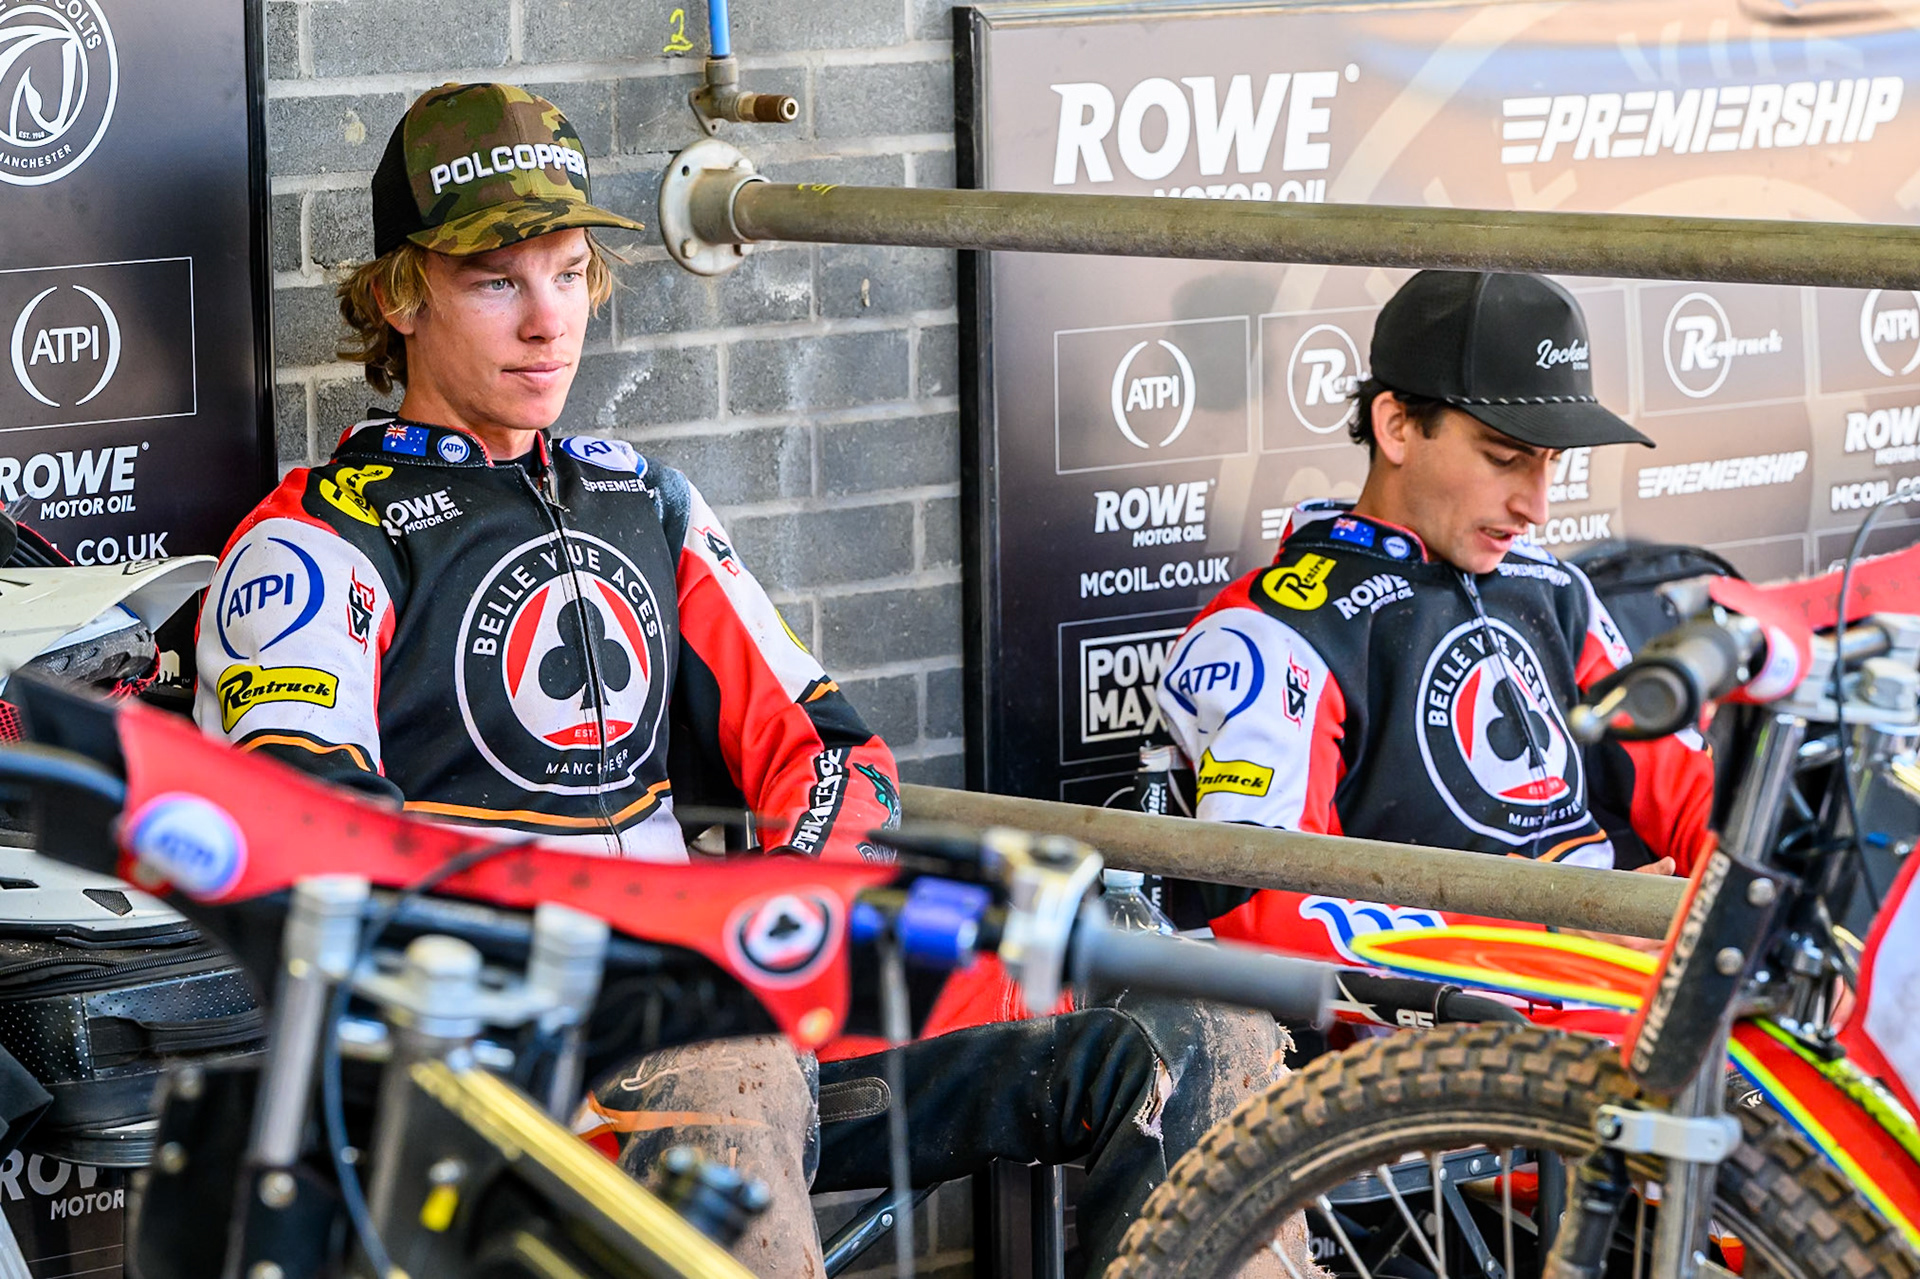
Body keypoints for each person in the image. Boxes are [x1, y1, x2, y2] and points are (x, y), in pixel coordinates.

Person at [197, 82, 1282, 1276]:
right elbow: (304, 838)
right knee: (726, 1062)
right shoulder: (318, 538)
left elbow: (832, 754)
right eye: (498, 282)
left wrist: (775, 913)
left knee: (1188, 1011)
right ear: (401, 297)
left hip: (732, 1004)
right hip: (507, 1064)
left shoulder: (644, 503)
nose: (549, 322)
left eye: (570, 274)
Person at [1158, 270, 1714, 946]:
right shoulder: (1275, 631)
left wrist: (1752, 905)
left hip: (1620, 985)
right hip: (1444, 1008)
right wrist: (1548, 933)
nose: (1537, 506)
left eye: (1551, 462)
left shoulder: (1556, 589)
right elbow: (1261, 909)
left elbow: (1691, 792)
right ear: (1396, 427)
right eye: (1504, 458)